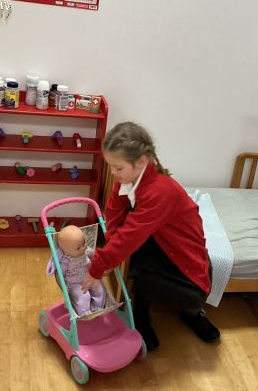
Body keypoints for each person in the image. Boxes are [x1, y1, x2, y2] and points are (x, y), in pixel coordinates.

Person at [82, 122, 220, 350]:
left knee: (191, 293)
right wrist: (111, 245)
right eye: (111, 167)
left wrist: (99, 265)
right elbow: (115, 208)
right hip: (159, 240)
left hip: (182, 252)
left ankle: (191, 312)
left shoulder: (160, 191)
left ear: (141, 162)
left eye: (118, 168)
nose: (113, 173)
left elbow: (130, 235)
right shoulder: (129, 178)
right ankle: (141, 314)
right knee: (141, 267)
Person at [47, 225, 106, 316]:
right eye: (78, 248)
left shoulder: (86, 250)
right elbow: (60, 275)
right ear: (65, 251)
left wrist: (100, 262)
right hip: (74, 284)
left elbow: (95, 256)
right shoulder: (65, 261)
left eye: (84, 243)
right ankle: (85, 314)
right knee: (84, 297)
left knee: (100, 290)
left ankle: (97, 308)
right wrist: (65, 289)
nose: (83, 247)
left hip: (89, 277)